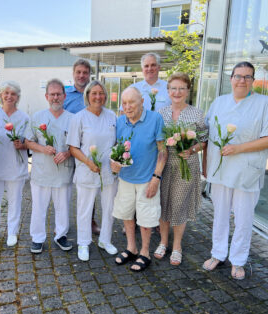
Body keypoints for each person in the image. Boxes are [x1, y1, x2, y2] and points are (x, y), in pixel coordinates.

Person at [203, 61, 268, 280]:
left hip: (246, 171)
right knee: (220, 215)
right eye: (238, 76)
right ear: (231, 78)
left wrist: (238, 148)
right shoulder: (219, 102)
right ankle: (218, 253)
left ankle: (238, 260)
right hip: (220, 170)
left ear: (253, 81)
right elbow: (206, 132)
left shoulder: (263, 103)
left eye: (247, 77)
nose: (242, 80)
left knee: (244, 218)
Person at [154, 73, 208, 266]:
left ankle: (177, 246)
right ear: (168, 91)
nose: (177, 92)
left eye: (181, 88)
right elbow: (157, 141)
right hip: (165, 165)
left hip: (186, 166)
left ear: (187, 91)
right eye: (173, 88)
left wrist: (192, 149)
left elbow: (204, 141)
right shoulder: (160, 113)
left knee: (178, 205)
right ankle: (163, 242)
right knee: (163, 203)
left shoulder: (197, 113)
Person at [111, 87, 167, 272]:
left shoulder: (155, 119)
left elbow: (162, 151)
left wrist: (156, 178)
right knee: (127, 215)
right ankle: (131, 248)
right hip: (126, 178)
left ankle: (145, 253)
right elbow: (117, 149)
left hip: (147, 179)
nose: (127, 107)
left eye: (131, 102)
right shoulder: (119, 121)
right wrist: (115, 164)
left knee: (146, 219)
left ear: (142, 101)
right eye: (124, 103)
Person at [67, 80, 118, 261]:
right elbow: (73, 147)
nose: (98, 96)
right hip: (87, 169)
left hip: (108, 171)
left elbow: (118, 144)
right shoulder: (78, 117)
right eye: (94, 93)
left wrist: (117, 161)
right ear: (87, 96)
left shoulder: (112, 116)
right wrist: (89, 163)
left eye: (101, 93)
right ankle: (83, 243)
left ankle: (105, 240)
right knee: (84, 208)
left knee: (109, 207)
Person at [27, 79, 74, 254]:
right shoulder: (37, 117)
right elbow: (28, 142)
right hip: (41, 172)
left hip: (63, 172)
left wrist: (67, 153)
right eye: (52, 94)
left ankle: (61, 235)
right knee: (39, 207)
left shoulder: (72, 119)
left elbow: (77, 145)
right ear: (47, 96)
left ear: (64, 96)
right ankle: (37, 238)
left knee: (63, 206)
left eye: (58, 94)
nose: (55, 97)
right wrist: (42, 148)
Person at [0, 81, 30, 247]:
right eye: (6, 93)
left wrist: (22, 143)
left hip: (16, 165)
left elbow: (29, 141)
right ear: (1, 95)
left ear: (18, 97)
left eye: (13, 94)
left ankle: (12, 232)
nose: (9, 96)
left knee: (15, 200)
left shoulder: (24, 118)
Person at [64, 59, 101, 235]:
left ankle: (90, 220)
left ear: (89, 75)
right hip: (67, 149)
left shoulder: (94, 94)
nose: (81, 75)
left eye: (85, 72)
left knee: (90, 185)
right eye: (78, 72)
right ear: (73, 74)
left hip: (86, 150)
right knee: (64, 186)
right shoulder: (64, 94)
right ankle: (62, 222)